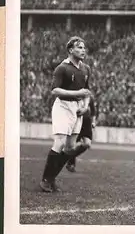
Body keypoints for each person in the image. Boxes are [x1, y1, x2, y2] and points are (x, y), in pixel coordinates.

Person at [40, 36, 92, 192]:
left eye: (84, 47)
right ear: (71, 50)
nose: (83, 50)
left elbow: (86, 92)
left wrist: (85, 106)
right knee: (60, 142)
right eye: (79, 47)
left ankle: (51, 178)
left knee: (70, 148)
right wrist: (77, 93)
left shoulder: (86, 69)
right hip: (63, 106)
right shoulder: (62, 68)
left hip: (77, 109)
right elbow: (55, 90)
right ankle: (45, 180)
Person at [66, 95, 97, 172]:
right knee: (74, 145)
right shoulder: (74, 96)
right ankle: (71, 164)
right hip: (77, 122)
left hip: (87, 123)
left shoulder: (90, 98)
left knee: (87, 144)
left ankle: (68, 157)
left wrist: (93, 122)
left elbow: (93, 112)